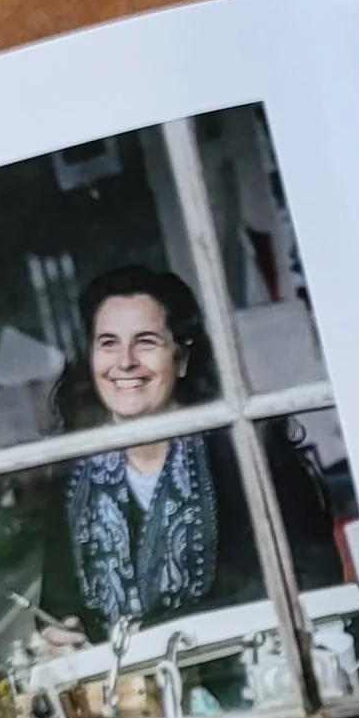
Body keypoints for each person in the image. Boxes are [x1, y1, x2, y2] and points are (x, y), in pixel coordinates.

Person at [38, 265, 221, 644]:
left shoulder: (237, 453)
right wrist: (58, 637)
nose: (125, 362)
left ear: (182, 359)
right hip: (123, 696)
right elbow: (57, 610)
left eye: (146, 342)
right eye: (108, 343)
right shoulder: (71, 477)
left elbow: (302, 580)